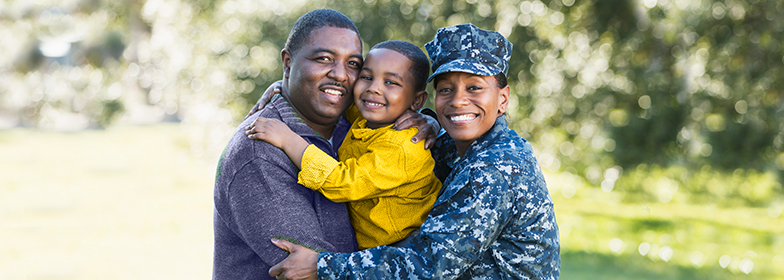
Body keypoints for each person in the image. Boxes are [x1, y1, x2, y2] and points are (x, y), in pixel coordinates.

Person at [268, 23, 561, 280]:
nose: (458, 101)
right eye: (446, 89)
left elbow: (428, 265)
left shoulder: (494, 168)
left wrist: (321, 266)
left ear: (503, 99)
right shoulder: (454, 144)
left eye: (474, 88)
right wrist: (289, 83)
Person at [212, 9, 438, 280]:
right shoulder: (261, 151)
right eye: (323, 59)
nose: (341, 75)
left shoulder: (355, 122)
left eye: (353, 64)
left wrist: (429, 119)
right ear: (287, 63)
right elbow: (304, 268)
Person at [244, 40, 442, 250]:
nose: (373, 88)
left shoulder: (404, 146)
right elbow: (335, 98)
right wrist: (286, 83)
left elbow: (343, 181)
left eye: (391, 82)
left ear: (417, 101)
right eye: (366, 77)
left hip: (403, 250)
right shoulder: (369, 116)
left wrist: (288, 139)